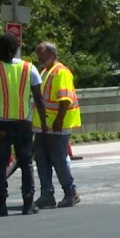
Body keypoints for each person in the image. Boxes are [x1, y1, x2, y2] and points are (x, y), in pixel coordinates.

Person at [0, 32, 47, 216]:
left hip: (2, 124)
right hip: (23, 123)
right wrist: (42, 122)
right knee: (26, 163)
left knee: (0, 164)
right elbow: (39, 99)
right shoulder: (30, 68)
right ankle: (28, 203)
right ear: (16, 48)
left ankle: (1, 204)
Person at [32, 42, 82, 209]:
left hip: (57, 126)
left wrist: (59, 119)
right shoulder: (46, 71)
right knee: (42, 159)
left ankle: (70, 192)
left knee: (58, 160)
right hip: (45, 125)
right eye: (38, 56)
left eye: (42, 56)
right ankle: (47, 194)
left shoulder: (61, 72)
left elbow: (65, 99)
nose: (39, 59)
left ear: (52, 55)